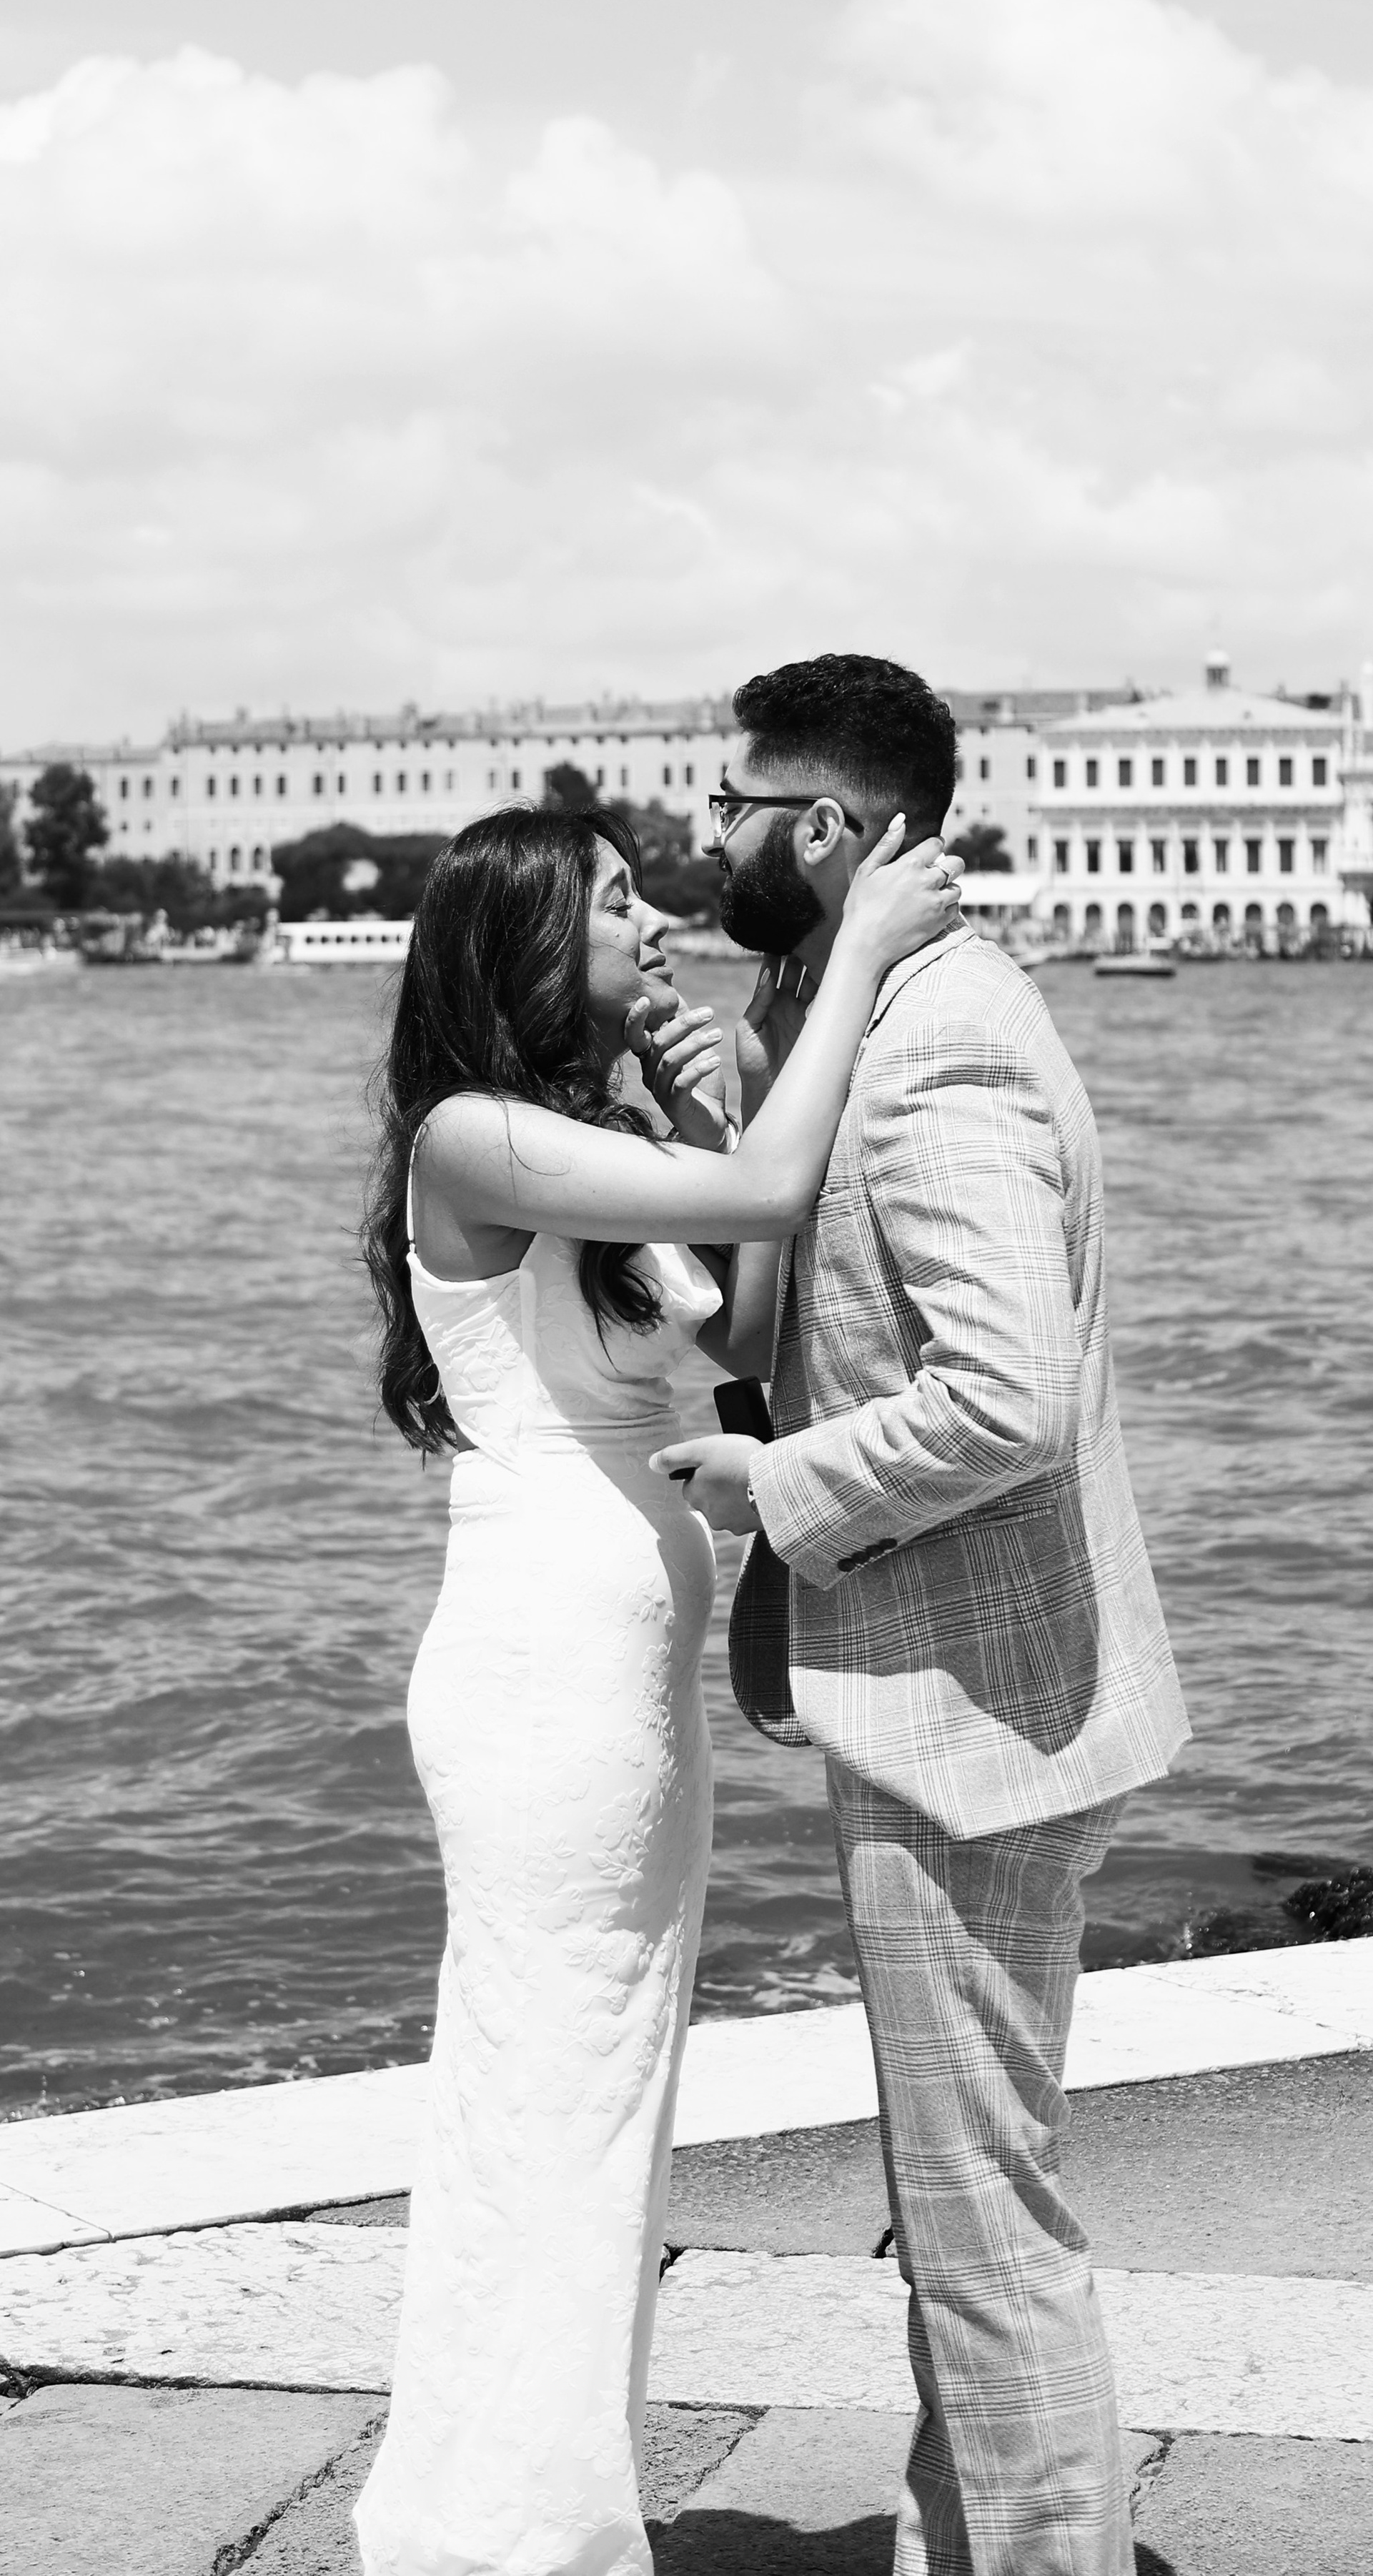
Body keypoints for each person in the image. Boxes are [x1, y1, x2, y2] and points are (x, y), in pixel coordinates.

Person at [352, 798, 963, 2576]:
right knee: (550, 2102)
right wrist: (852, 952)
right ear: (529, 942)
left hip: (623, 1691)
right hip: (544, 1681)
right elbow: (781, 1185)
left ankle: (530, 2514)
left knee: (599, 2102)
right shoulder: (469, 1138)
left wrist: (708, 1097)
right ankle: (510, 2542)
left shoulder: (582, 1136)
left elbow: (751, 1333)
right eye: (619, 904)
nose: (657, 929)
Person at [655, 655, 1190, 2576]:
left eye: (744, 799)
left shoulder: (938, 1042)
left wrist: (778, 1487)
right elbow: (784, 1236)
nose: (715, 827)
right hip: (980, 1676)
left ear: (843, 826)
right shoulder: (855, 1006)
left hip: (973, 1703)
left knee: (977, 2212)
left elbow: (1002, 1396)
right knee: (968, 2183)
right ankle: (970, 2542)